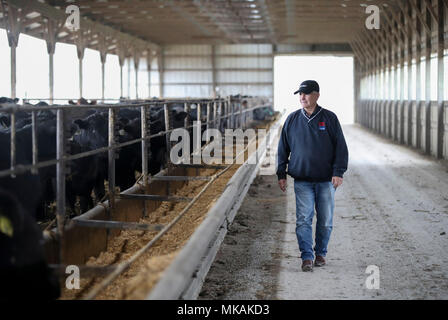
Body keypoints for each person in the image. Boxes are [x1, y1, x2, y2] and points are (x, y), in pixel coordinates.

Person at [276, 80, 348, 272]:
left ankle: (321, 253)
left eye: (306, 93)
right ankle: (307, 256)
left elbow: (341, 148)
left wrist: (338, 172)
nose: (302, 97)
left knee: (325, 220)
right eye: (300, 94)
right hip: (302, 180)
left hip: (326, 180)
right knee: (303, 219)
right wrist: (281, 173)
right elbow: (282, 149)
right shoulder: (292, 120)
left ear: (316, 95)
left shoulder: (329, 118)